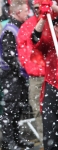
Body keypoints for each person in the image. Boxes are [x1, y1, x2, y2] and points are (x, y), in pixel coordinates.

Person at [0, 0, 34, 149]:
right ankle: (8, 142)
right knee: (10, 110)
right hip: (10, 75)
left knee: (17, 109)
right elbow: (9, 55)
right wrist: (22, 69)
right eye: (25, 11)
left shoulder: (18, 27)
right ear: (18, 12)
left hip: (17, 75)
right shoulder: (10, 29)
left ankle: (16, 139)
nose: (28, 13)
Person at [17, 0, 45, 149]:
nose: (38, 10)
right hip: (37, 76)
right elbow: (24, 51)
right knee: (38, 110)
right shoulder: (27, 26)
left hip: (51, 75)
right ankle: (45, 141)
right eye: (35, 8)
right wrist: (33, 67)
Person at [31, 0, 58, 150]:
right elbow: (35, 38)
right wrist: (43, 16)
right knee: (51, 135)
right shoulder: (51, 44)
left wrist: (54, 7)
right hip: (52, 88)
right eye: (56, 25)